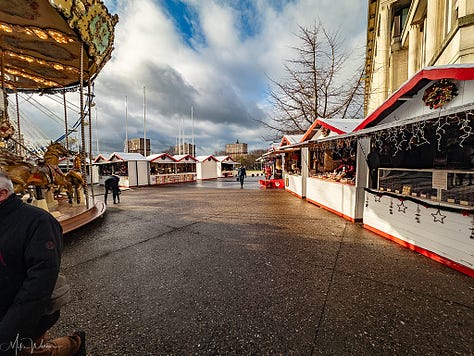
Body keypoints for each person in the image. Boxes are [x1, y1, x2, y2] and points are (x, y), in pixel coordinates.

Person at [0, 172, 85, 356]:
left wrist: (11, 328)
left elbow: (41, 279)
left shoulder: (39, 222)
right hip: (6, 302)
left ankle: (74, 344)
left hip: (36, 307)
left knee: (26, 352)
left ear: (2, 194)